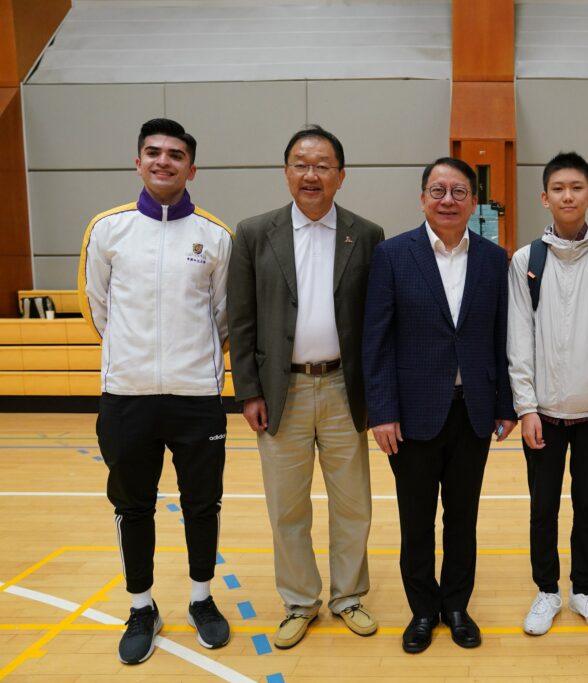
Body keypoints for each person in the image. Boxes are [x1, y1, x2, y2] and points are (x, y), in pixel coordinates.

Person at [78, 118, 232, 664]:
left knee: (202, 505)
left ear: (192, 167)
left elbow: (222, 318)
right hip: (127, 397)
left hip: (197, 400)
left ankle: (201, 598)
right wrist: (134, 358)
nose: (163, 161)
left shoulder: (215, 237)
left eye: (175, 155)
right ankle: (141, 605)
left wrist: (196, 369)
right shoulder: (108, 230)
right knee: (132, 505)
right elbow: (99, 308)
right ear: (137, 162)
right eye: (153, 153)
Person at [227, 125, 384, 649]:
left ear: (341, 175)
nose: (311, 174)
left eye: (322, 165)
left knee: (353, 504)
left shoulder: (366, 234)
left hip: (344, 386)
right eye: (300, 163)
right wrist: (248, 391)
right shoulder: (253, 233)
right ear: (286, 172)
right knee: (287, 506)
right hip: (280, 391)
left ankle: (349, 597)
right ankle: (299, 601)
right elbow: (242, 320)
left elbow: (377, 321)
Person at [362, 157, 518, 654]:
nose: (448, 200)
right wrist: (382, 411)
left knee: (462, 518)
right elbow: (377, 340)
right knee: (416, 520)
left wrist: (505, 405)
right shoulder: (392, 255)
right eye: (438, 190)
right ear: (423, 198)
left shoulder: (495, 259)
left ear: (474, 201)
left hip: (472, 412)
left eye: (458, 191)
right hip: (411, 415)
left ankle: (456, 605)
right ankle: (423, 611)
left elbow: (502, 337)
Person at [506, 152, 588, 636]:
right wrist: (525, 408)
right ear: (545, 197)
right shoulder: (526, 261)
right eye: (558, 188)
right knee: (542, 509)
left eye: (576, 187)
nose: (567, 195)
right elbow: (518, 339)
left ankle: (584, 589)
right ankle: (547, 591)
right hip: (542, 415)